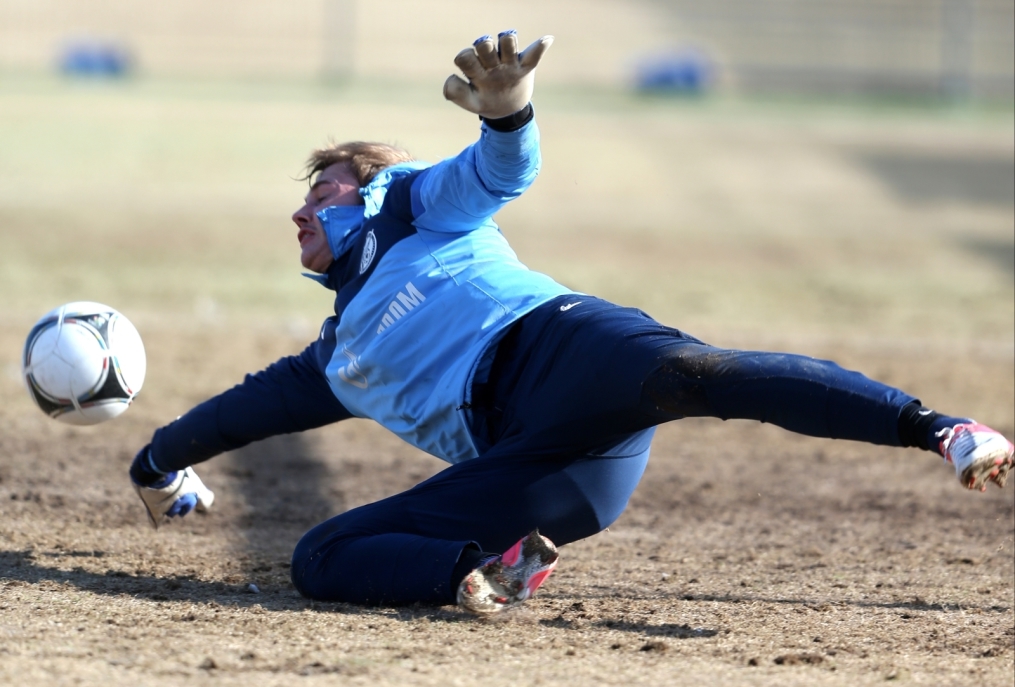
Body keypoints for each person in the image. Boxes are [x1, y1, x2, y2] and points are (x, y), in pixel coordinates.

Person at [130, 31, 1014, 615]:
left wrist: (507, 108)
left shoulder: (412, 206)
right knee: (320, 556)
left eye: (318, 193)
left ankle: (939, 429)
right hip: (546, 470)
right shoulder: (337, 357)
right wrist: (156, 460)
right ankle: (478, 572)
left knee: (702, 375)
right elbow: (239, 412)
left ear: (362, 192)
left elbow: (497, 170)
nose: (299, 213)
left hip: (562, 346)